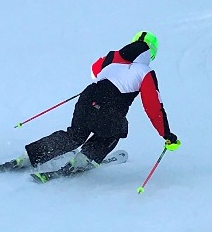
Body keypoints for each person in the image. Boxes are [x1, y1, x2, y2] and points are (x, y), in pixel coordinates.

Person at [23, 31, 179, 173]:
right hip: (109, 110)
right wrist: (166, 134)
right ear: (151, 54)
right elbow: (153, 107)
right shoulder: (146, 72)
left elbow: (94, 70)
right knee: (118, 129)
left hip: (87, 98)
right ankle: (84, 159)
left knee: (75, 136)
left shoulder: (112, 56)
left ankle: (29, 156)